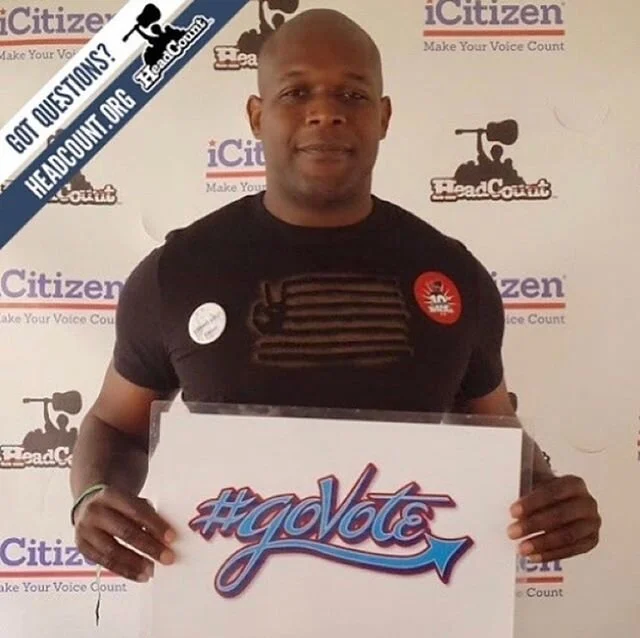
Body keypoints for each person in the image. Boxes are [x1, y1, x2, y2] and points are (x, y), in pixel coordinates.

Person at [69, 8, 600, 584]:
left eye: (352, 94)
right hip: (232, 599)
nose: (326, 112)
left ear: (384, 117)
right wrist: (94, 495)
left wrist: (548, 495)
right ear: (257, 116)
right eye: (296, 92)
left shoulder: (453, 275)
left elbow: (496, 433)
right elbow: (116, 426)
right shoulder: (177, 273)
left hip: (412, 599)